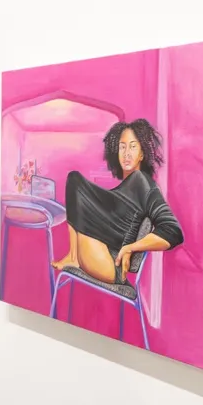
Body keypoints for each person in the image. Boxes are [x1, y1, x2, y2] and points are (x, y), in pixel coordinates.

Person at [51, 118, 183, 286]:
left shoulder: (143, 183)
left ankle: (73, 256)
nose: (126, 153)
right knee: (74, 181)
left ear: (142, 154)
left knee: (75, 180)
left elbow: (173, 231)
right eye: (122, 147)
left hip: (110, 264)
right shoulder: (124, 190)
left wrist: (131, 247)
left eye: (133, 147)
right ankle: (73, 256)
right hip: (99, 256)